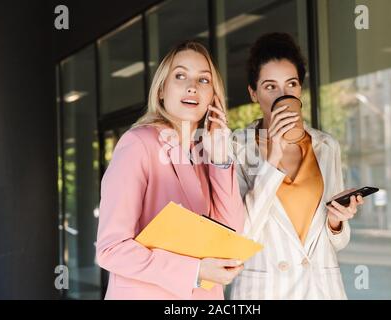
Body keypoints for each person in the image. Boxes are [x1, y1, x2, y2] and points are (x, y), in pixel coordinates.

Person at [96, 41, 244, 300]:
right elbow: (111, 249)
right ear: (162, 89)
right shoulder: (138, 144)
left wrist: (220, 158)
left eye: (204, 80)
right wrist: (196, 270)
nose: (192, 86)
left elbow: (230, 232)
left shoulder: (206, 152)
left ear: (213, 97)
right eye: (180, 75)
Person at [229, 32, 364, 299]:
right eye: (270, 87)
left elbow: (337, 242)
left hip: (321, 290)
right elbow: (239, 236)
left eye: (291, 84)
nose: (283, 95)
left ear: (300, 89)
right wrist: (274, 153)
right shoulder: (235, 148)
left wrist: (336, 222)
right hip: (265, 291)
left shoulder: (326, 146)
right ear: (253, 94)